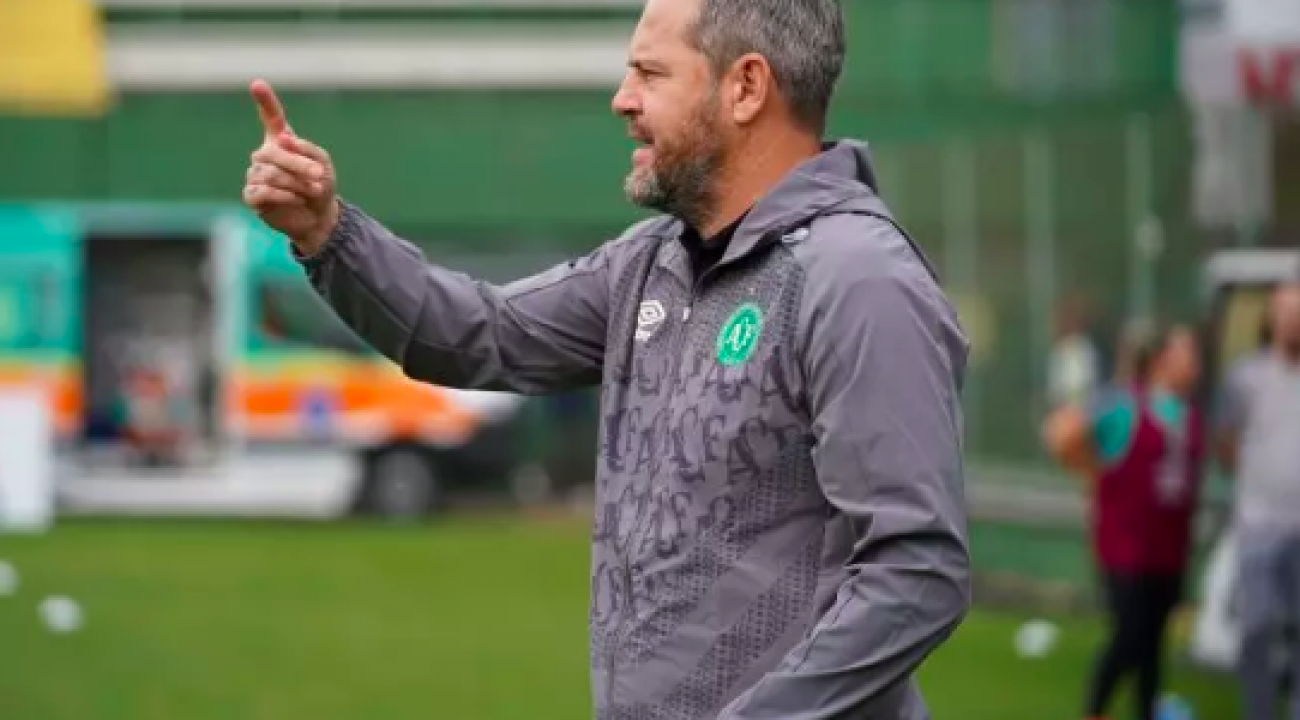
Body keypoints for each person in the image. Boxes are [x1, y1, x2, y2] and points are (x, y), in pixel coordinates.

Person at [241, 0, 972, 717]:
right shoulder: (648, 264)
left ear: (745, 87)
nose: (623, 100)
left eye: (650, 74)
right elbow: (474, 332)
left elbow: (915, 573)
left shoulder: (859, 279)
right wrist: (327, 231)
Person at [1042, 323, 1206, 720]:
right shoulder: (1125, 406)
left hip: (1169, 550)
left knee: (1152, 644)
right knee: (1130, 635)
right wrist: (1093, 470)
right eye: (1187, 353)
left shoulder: (1189, 416)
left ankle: (1147, 710)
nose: (1195, 364)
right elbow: (1061, 432)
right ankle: (1095, 711)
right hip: (1126, 548)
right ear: (1163, 359)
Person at [1218, 281, 1300, 720]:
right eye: (1284, 309)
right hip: (1259, 528)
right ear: (1271, 317)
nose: (1291, 318)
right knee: (1257, 629)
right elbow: (1225, 441)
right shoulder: (1246, 376)